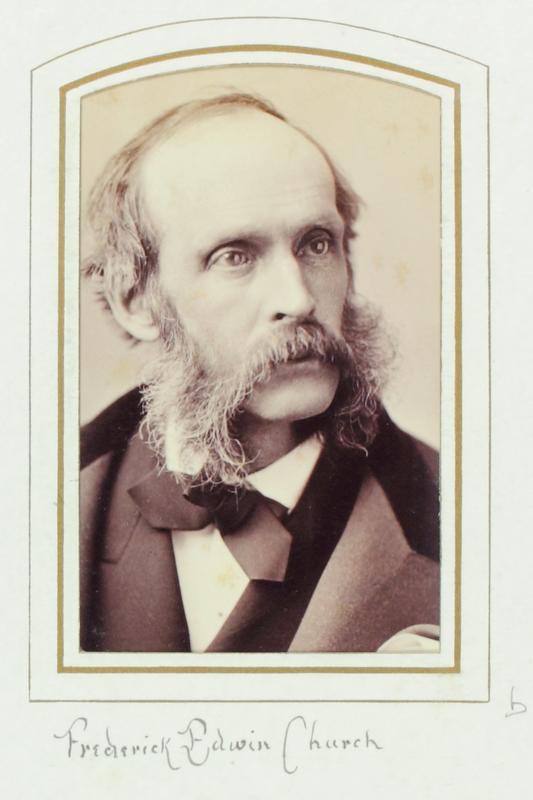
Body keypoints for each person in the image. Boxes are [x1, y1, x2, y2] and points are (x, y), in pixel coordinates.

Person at [80, 91, 439, 653]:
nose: (298, 299)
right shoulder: (48, 504)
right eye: (235, 256)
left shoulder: (469, 517)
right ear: (135, 301)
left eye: (316, 245)